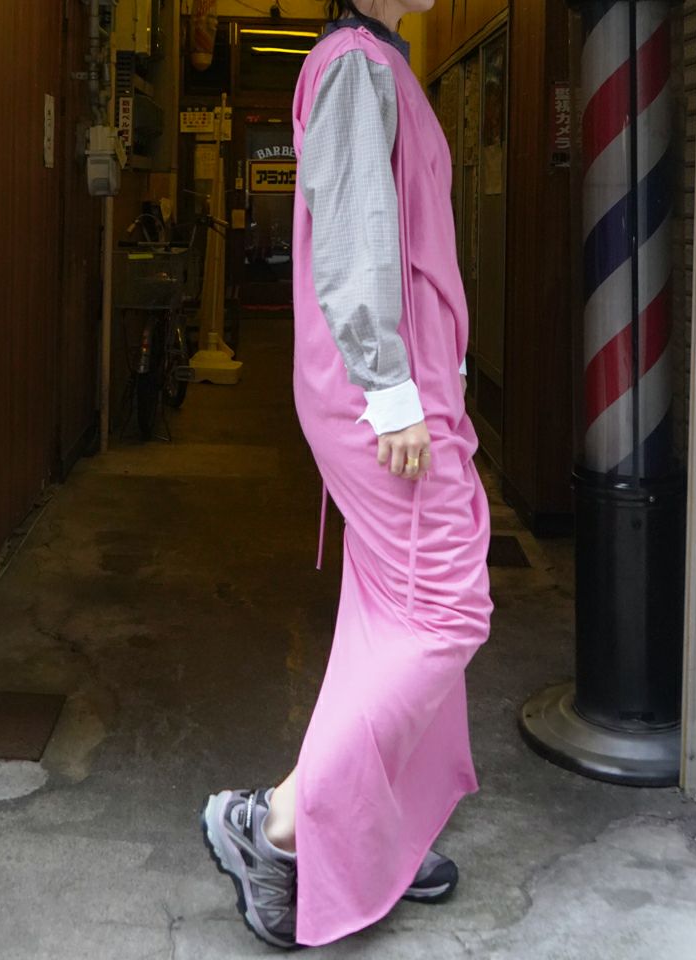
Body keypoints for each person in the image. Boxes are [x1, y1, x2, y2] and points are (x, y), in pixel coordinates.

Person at [201, 0, 494, 948]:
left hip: (396, 386)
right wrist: (395, 392)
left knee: (390, 615)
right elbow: (357, 236)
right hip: (385, 394)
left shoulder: (374, 60)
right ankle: (276, 824)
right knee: (448, 608)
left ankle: (375, 840)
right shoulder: (358, 61)